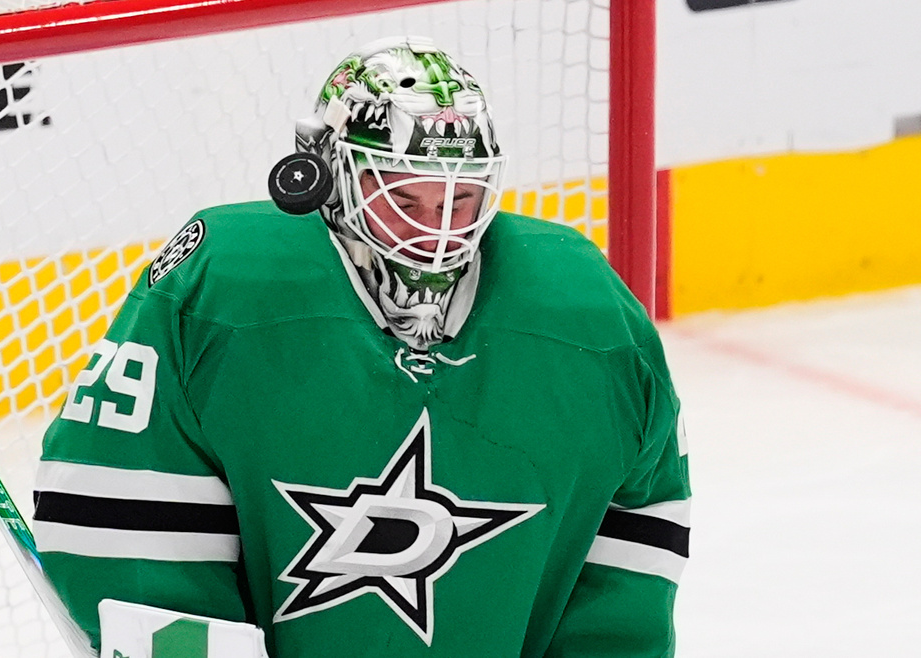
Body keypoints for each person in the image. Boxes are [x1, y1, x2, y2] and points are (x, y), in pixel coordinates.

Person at [34, 36, 691, 658]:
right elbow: (125, 514)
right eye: (404, 197)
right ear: (323, 172)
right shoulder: (223, 289)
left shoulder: (587, 311)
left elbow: (634, 541)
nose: (437, 232)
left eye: (463, 198)